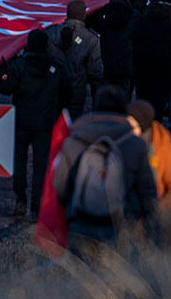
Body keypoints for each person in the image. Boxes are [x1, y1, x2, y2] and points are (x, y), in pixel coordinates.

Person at [53, 87, 159, 248]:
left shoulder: (73, 140)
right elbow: (147, 191)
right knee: (116, 271)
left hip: (81, 222)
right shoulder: (135, 144)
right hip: (121, 223)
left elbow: (59, 186)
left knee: (80, 270)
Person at [0, 31, 72, 219]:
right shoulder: (56, 66)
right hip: (44, 123)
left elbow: (5, 88)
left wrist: (2, 68)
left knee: (19, 161)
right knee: (41, 164)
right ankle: (37, 206)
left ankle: (20, 199)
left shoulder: (20, 65)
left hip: (21, 120)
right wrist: (55, 110)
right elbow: (67, 93)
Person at [46, 0, 105, 118]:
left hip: (53, 89)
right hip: (76, 91)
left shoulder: (50, 33)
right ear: (84, 15)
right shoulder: (91, 39)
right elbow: (95, 71)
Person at [126, 100, 171, 208]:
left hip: (154, 211)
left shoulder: (164, 149)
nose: (128, 131)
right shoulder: (122, 142)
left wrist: (158, 211)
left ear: (143, 128)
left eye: (133, 127)